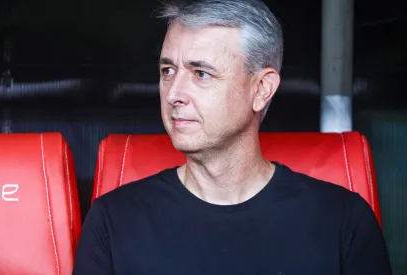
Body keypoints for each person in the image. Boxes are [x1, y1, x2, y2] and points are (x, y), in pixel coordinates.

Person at [73, 0, 392, 274]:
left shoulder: (342, 223)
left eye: (201, 73)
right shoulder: (112, 222)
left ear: (261, 89)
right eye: (168, 70)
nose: (174, 94)